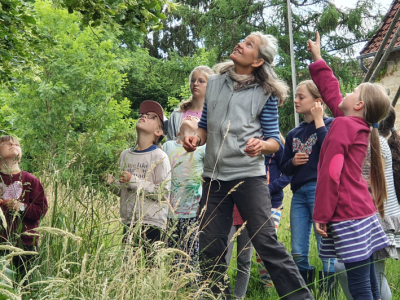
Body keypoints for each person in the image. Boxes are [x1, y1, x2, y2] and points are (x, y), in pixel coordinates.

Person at [183, 32, 314, 300]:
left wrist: (262, 146)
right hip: (214, 178)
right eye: (242, 39)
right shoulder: (216, 83)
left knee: (265, 242)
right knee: (210, 247)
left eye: (249, 44)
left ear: (257, 61)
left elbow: (274, 141)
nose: (240, 43)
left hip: (249, 178)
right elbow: (205, 127)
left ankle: (301, 298)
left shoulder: (265, 93)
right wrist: (196, 139)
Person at [308, 32, 391, 300]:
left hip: (348, 216)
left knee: (359, 288)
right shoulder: (355, 123)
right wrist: (318, 60)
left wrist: (320, 214)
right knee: (369, 283)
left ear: (358, 105)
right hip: (363, 212)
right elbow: (333, 93)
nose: (345, 91)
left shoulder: (343, 125)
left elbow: (331, 174)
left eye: (352, 91)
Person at [335, 106, 400, 300]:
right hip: (378, 214)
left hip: (380, 216)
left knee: (371, 273)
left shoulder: (375, 141)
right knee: (368, 272)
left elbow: (366, 181)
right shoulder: (375, 140)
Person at [281, 80, 336, 287]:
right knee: (297, 250)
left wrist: (320, 120)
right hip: (298, 196)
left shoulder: (330, 125)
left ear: (317, 101)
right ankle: (306, 291)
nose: (295, 100)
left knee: (325, 246)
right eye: (295, 96)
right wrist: (293, 162)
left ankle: (329, 291)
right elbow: (284, 168)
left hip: (320, 192)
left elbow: (330, 151)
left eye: (301, 97)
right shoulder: (293, 134)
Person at [105, 100, 171, 245]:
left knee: (150, 266)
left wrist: (132, 180)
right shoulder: (125, 155)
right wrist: (111, 184)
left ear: (158, 132)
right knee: (128, 266)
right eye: (143, 114)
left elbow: (163, 193)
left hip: (152, 222)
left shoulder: (160, 156)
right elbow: (123, 191)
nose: (144, 116)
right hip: (129, 220)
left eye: (152, 116)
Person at [0, 135, 48, 281]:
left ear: (20, 157)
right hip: (1, 241)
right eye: (6, 143)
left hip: (25, 243)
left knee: (23, 284)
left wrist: (21, 207)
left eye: (17, 144)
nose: (13, 145)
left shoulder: (30, 180)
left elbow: (41, 210)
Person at [163, 115, 206, 269]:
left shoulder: (202, 148)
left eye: (195, 118)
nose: (189, 116)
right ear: (178, 134)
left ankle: (194, 291)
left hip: (192, 213)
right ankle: (174, 291)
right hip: (169, 214)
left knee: (191, 259)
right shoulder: (168, 146)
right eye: (186, 117)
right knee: (171, 261)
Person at [257, 133, 292, 288]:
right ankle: (266, 284)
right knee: (258, 247)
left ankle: (272, 285)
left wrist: (268, 189)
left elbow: (288, 174)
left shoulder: (277, 145)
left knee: (268, 242)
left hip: (273, 202)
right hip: (253, 202)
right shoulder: (251, 140)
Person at [167, 66, 214, 141]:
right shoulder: (176, 114)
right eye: (193, 80)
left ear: (211, 85)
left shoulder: (214, 114)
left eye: (201, 81)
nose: (195, 84)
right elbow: (170, 142)